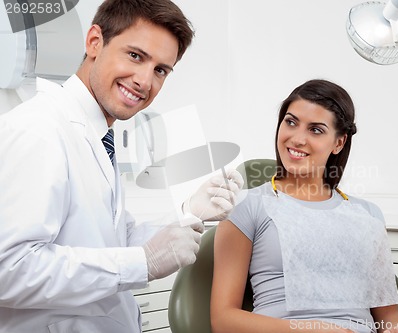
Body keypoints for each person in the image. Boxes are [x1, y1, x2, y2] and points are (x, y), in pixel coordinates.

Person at [0, 0, 242, 332]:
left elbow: (110, 238)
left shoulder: (96, 134)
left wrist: (189, 213)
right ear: (94, 42)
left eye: (160, 70)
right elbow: (9, 270)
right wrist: (141, 263)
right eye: (135, 56)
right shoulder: (40, 130)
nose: (144, 80)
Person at [211, 79, 398, 333]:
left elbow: (390, 317)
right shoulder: (246, 205)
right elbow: (223, 320)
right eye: (291, 122)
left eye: (316, 130)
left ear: (339, 142)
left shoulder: (368, 215)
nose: (297, 139)